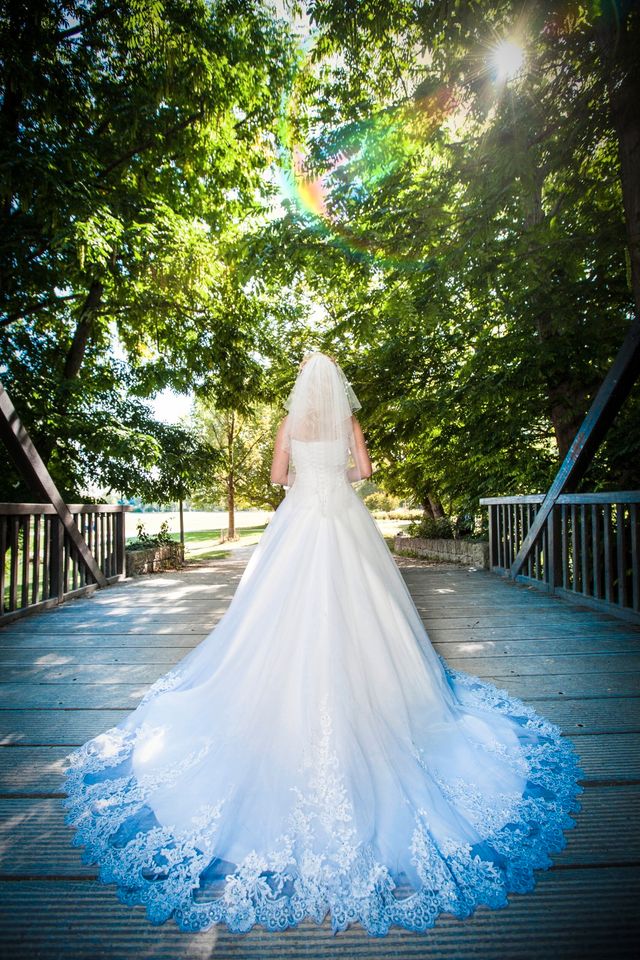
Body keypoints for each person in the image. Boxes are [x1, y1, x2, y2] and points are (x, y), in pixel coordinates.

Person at [62, 352, 583, 936]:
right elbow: (361, 472)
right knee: (371, 617)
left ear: (300, 391)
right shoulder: (349, 426)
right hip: (345, 525)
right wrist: (336, 472)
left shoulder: (289, 424)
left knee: (273, 617)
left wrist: (304, 472)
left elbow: (278, 479)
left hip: (299, 527)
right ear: (338, 391)